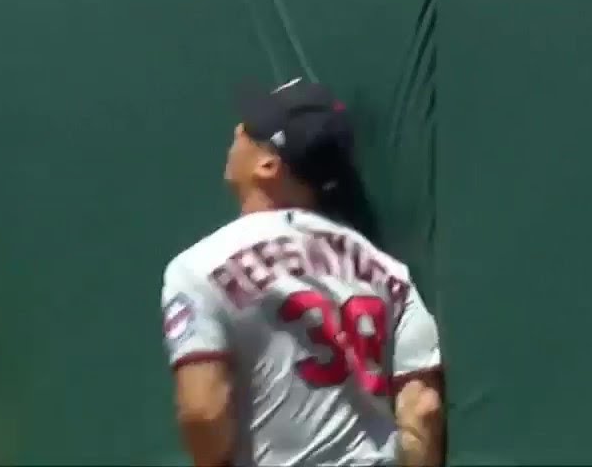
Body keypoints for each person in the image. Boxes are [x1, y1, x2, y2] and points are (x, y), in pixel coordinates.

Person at [160, 78, 446, 467]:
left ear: (268, 164)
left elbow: (203, 413)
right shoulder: (391, 272)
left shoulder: (201, 266)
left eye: (249, 128)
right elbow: (424, 408)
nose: (236, 131)